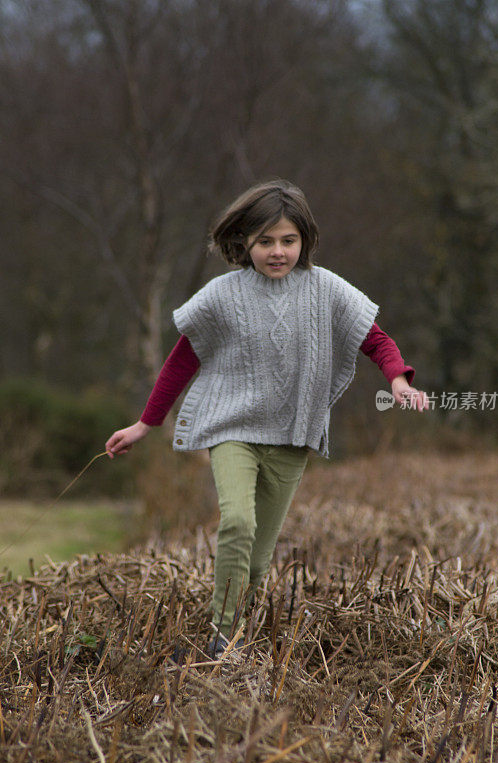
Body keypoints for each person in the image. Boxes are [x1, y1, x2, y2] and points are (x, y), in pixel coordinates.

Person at [105, 179, 429, 658]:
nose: (277, 252)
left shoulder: (327, 290)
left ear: (305, 241)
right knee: (237, 522)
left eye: (288, 240)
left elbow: (376, 340)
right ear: (244, 243)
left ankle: (238, 637)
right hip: (233, 429)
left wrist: (398, 379)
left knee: (257, 563)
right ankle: (220, 639)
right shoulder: (222, 295)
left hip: (291, 438)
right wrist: (145, 424)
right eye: (265, 241)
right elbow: (182, 360)